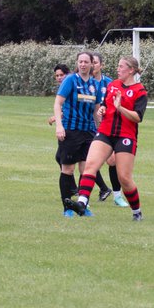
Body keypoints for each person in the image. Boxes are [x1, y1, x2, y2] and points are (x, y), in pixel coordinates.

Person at [67, 56, 148, 221]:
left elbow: (137, 117)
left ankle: (137, 211)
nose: (118, 69)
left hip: (126, 136)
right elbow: (104, 104)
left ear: (131, 70)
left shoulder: (140, 91)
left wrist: (120, 108)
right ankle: (82, 203)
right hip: (105, 132)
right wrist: (102, 110)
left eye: (121, 66)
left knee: (124, 178)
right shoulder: (112, 85)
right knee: (90, 166)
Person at [53, 52, 111, 218]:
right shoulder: (70, 80)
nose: (83, 64)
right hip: (70, 130)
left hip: (89, 132)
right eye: (81, 62)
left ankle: (82, 205)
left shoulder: (95, 84)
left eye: (86, 62)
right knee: (68, 169)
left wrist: (101, 132)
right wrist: (59, 126)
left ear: (92, 64)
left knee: (87, 170)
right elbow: (58, 103)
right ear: (77, 64)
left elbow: (96, 110)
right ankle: (67, 208)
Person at [91, 51, 126, 208]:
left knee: (112, 161)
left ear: (101, 65)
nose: (92, 65)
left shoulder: (110, 84)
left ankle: (117, 195)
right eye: (90, 62)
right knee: (86, 162)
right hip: (87, 126)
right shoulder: (85, 82)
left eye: (95, 62)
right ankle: (85, 194)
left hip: (106, 128)